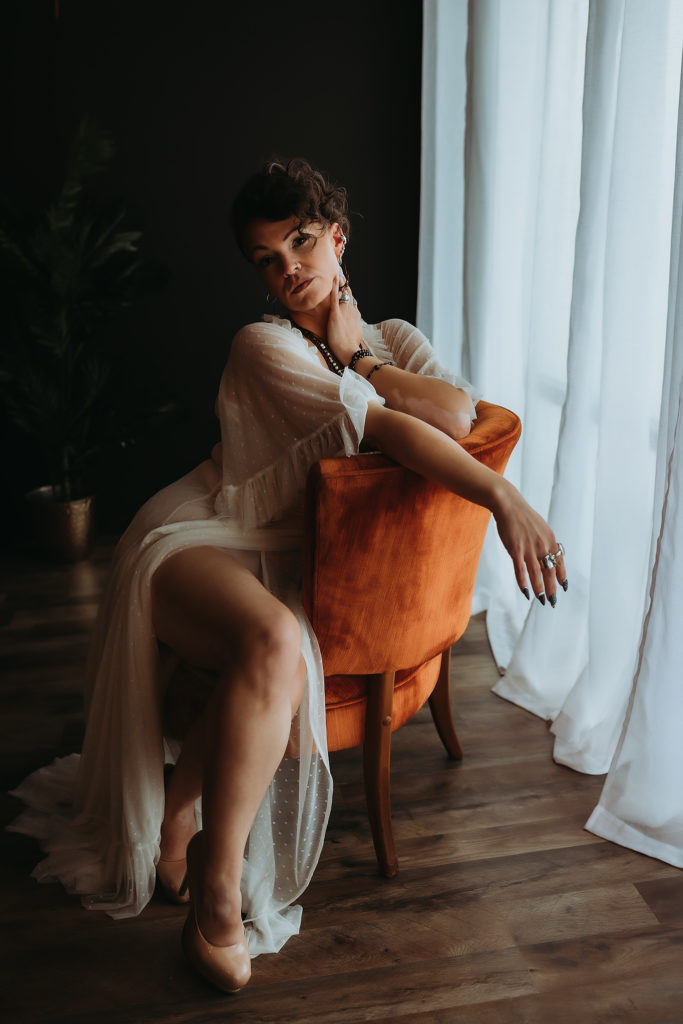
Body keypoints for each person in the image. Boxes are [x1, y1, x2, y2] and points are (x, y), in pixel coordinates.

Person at [10, 158, 567, 994]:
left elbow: (458, 417)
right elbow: (389, 429)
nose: (289, 271)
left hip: (294, 553)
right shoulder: (262, 344)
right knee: (275, 640)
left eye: (301, 243)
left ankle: (183, 812)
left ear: (336, 238)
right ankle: (219, 898)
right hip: (200, 535)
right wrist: (498, 496)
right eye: (267, 260)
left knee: (273, 649)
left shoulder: (394, 339)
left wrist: (362, 355)